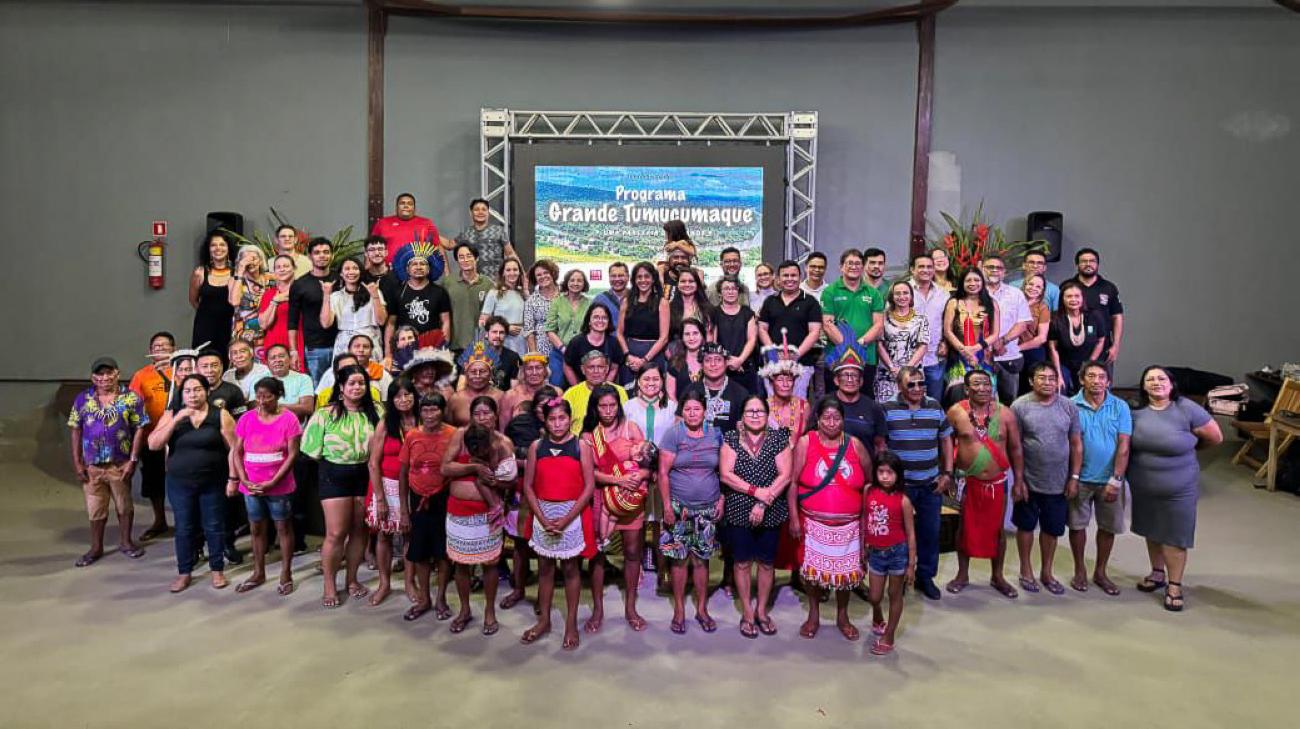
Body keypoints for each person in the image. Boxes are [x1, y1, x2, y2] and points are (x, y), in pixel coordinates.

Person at [1129, 365, 1222, 612]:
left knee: (1174, 535)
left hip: (1179, 487)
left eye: (1162, 379)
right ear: (1143, 385)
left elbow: (1215, 437)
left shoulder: (1187, 408)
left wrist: (1186, 447)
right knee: (1152, 529)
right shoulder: (1135, 411)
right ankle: (1157, 573)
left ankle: (1174, 585)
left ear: (1171, 384)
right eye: (1150, 379)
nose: (1156, 383)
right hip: (1144, 486)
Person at [788, 397, 872, 640]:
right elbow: (793, 482)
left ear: (844, 420)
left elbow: (869, 482)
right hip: (813, 524)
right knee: (812, 573)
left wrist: (866, 523)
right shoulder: (806, 442)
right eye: (826, 417)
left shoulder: (855, 444)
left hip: (849, 527)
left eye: (837, 418)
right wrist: (794, 517)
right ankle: (813, 614)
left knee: (846, 575)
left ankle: (842, 616)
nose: (832, 423)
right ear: (818, 419)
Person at [300, 364, 382, 608]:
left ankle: (352, 580)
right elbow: (310, 450)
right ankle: (329, 585)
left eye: (361, 383)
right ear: (342, 387)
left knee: (360, 531)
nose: (357, 387)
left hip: (366, 474)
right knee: (336, 533)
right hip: (333, 474)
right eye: (352, 383)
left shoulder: (377, 411)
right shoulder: (325, 414)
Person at [147, 374, 238, 592]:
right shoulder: (172, 414)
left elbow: (234, 449)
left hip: (213, 482)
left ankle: (217, 570)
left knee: (214, 526)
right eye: (187, 391)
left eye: (197, 390)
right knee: (184, 527)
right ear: (182, 394)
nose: (193, 395)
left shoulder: (220, 415)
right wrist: (176, 420)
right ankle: (184, 572)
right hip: (180, 483)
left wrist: (234, 478)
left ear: (207, 392)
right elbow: (153, 444)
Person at [520, 398, 597, 650]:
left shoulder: (580, 446)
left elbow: (589, 486)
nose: (557, 424)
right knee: (545, 569)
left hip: (571, 514)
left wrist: (566, 518)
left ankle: (571, 624)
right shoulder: (536, 446)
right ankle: (544, 621)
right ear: (544, 421)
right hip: (543, 513)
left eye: (562, 418)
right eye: (552, 419)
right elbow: (528, 486)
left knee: (571, 569)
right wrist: (542, 518)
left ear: (570, 419)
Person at [944, 369, 1024, 599]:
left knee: (997, 530)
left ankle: (997, 575)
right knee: (964, 529)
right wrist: (947, 475)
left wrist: (1019, 481)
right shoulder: (956, 412)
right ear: (966, 389)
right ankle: (962, 574)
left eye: (987, 384)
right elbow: (946, 445)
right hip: (966, 481)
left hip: (998, 483)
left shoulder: (1005, 414)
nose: (982, 388)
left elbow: (1016, 449)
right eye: (977, 384)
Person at [580, 384, 652, 633]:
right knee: (598, 554)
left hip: (630, 500)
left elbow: (648, 464)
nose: (608, 410)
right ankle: (598, 610)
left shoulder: (631, 428)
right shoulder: (589, 436)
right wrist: (617, 480)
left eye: (612, 405)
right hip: (602, 500)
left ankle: (631, 608)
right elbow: (588, 473)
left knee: (632, 553)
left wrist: (639, 476)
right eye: (603, 406)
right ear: (595, 408)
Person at [719, 396, 791, 638]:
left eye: (760, 411)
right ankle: (747, 612)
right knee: (741, 562)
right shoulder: (731, 438)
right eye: (750, 411)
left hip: (771, 509)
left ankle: (761, 610)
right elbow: (726, 475)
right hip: (739, 510)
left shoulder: (778, 439)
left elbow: (785, 475)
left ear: (767, 415)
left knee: (766, 563)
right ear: (742, 415)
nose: (755, 415)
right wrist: (754, 491)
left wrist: (762, 501)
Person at [441, 402, 514, 635]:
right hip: (459, 512)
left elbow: (510, 481)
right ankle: (465, 610)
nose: (482, 417)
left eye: (486, 413)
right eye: (477, 413)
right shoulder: (461, 435)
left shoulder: (503, 443)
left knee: (490, 564)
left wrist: (493, 481)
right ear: (471, 416)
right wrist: (473, 468)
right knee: (461, 564)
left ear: (495, 415)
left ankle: (489, 612)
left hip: (487, 515)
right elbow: (445, 468)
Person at [68, 356, 148, 567]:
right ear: (93, 377)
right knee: (95, 507)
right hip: (92, 466)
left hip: (119, 464)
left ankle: (126, 542)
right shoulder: (83, 399)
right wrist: (77, 462)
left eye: (109, 373)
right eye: (100, 374)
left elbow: (140, 428)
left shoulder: (131, 398)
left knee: (124, 504)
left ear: (117, 374)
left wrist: (133, 459)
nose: (104, 378)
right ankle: (96, 547)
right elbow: (75, 429)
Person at [1010, 362, 1082, 595]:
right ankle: (1026, 570)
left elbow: (1076, 444)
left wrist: (1074, 477)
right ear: (1032, 381)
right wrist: (1019, 480)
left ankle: (1047, 572)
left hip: (1059, 482)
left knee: (1052, 529)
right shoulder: (1020, 406)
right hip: (1028, 481)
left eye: (1052, 378)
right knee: (1025, 526)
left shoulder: (1069, 406)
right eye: (1042, 378)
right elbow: (1015, 446)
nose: (1048, 382)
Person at [882, 366, 954, 601]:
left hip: (930, 485)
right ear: (899, 386)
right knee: (898, 535)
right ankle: (900, 576)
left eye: (921, 383)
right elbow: (880, 445)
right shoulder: (887, 409)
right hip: (900, 487)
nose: (917, 388)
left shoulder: (934, 406)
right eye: (911, 384)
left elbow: (946, 440)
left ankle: (925, 577)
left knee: (930, 533)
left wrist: (947, 473)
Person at [658, 389, 724, 635]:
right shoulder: (673, 434)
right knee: (679, 561)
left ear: (705, 411)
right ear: (682, 412)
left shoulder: (715, 434)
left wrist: (722, 499)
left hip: (707, 508)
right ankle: (679, 610)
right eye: (687, 409)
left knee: (701, 561)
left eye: (697, 409)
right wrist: (666, 506)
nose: (693, 413)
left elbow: (723, 470)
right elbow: (662, 472)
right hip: (679, 508)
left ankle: (702, 609)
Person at [229, 376, 301, 595]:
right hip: (251, 485)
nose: (261, 401)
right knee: (256, 528)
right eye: (258, 396)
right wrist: (243, 479)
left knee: (283, 527)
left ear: (278, 396)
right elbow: (237, 452)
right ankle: (258, 572)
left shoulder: (289, 419)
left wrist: (274, 481)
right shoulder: (247, 418)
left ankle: (286, 573)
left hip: (279, 485)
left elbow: (293, 454)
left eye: (267, 397)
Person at [1068, 361, 1131, 595]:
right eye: (1091, 376)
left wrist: (1116, 479)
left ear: (1108, 382)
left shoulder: (1120, 406)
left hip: (1110, 480)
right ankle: (1079, 570)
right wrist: (1073, 477)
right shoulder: (1070, 405)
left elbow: (1124, 445)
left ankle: (1101, 572)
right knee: (1077, 526)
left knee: (1108, 527)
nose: (1096, 381)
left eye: (1101, 377)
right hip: (1080, 478)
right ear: (1082, 379)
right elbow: (1071, 444)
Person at [398, 394, 456, 622]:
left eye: (434, 410)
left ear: (443, 411)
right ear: (420, 412)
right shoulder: (412, 435)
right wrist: (404, 510)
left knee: (443, 552)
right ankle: (424, 598)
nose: (430, 415)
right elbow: (403, 474)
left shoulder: (453, 434)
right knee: (420, 552)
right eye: (425, 410)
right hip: (418, 499)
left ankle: (441, 598)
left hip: (445, 498)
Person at [500, 386, 559, 609]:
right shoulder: (520, 425)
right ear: (534, 407)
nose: (546, 410)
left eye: (551, 405)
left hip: (552, 491)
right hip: (522, 489)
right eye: (542, 406)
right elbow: (508, 457)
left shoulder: (561, 425)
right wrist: (533, 463)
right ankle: (518, 589)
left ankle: (544, 597)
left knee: (547, 546)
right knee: (520, 544)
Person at [364, 379, 418, 606]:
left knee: (409, 535)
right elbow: (373, 463)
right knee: (384, 535)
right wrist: (380, 499)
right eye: (397, 396)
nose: (403, 400)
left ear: (415, 395)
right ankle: (384, 583)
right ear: (391, 400)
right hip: (386, 486)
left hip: (414, 487)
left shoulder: (423, 420)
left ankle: (409, 582)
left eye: (407, 394)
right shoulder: (385, 423)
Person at [623, 363, 678, 578]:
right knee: (636, 523)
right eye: (646, 379)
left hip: (663, 473)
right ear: (638, 381)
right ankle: (635, 570)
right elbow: (625, 440)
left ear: (662, 381)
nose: (651, 383)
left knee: (661, 522)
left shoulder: (671, 407)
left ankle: (663, 569)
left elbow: (674, 441)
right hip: (636, 473)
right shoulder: (628, 407)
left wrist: (659, 468)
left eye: (655, 379)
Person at [864, 451, 915, 655]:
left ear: (898, 475)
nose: (885, 476)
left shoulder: (903, 501)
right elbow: (864, 519)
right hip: (875, 553)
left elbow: (910, 534)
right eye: (881, 472)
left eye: (890, 472)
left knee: (894, 594)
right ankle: (877, 615)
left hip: (897, 554)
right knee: (874, 596)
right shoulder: (868, 491)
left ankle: (889, 635)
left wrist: (911, 565)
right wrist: (862, 547)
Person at [128, 332, 177, 540]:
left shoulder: (183, 370)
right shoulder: (141, 376)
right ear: (150, 351)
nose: (161, 349)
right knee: (154, 481)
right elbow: (132, 405)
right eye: (157, 346)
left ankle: (187, 523)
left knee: (181, 479)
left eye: (165, 345)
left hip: (179, 436)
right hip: (152, 436)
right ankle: (159, 521)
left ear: (174, 349)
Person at [820, 249, 886, 397]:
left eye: (858, 263)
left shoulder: (873, 293)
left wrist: (859, 344)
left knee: (865, 400)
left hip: (866, 357)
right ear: (841, 267)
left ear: (863, 267)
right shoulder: (830, 292)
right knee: (834, 401)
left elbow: (878, 325)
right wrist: (849, 347)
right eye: (850, 263)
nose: (854, 267)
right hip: (836, 356)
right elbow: (828, 324)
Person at [759, 260, 823, 399]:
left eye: (793, 275)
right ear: (778, 278)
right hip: (773, 364)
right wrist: (773, 352)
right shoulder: (770, 301)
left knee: (797, 404)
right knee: (773, 404)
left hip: (801, 364)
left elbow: (814, 332)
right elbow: (762, 329)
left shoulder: (810, 302)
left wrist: (796, 354)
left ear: (800, 277)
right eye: (785, 275)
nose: (789, 279)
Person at [942, 267, 1000, 404]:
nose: (972, 283)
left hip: (984, 358)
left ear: (982, 282)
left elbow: (995, 333)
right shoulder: (954, 302)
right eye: (968, 280)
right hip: (958, 357)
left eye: (976, 280)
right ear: (962, 283)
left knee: (984, 396)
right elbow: (947, 331)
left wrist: (976, 348)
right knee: (958, 396)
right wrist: (965, 351)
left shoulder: (991, 303)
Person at [287, 237, 339, 384]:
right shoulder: (300, 284)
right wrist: (293, 351)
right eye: (317, 252)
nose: (322, 256)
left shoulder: (341, 279)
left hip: (341, 344)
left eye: (326, 252)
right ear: (309, 256)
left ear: (332, 255)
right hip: (315, 348)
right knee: (318, 389)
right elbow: (292, 321)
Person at [982, 255, 1032, 404]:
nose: (994, 271)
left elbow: (1022, 323)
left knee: (1009, 402)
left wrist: (1002, 341)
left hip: (1008, 356)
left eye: (999, 268)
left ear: (1004, 272)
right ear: (982, 269)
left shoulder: (1015, 294)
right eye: (990, 267)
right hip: (980, 358)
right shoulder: (974, 293)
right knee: (981, 401)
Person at [386, 242, 453, 352]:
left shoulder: (440, 292)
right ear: (407, 269)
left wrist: (443, 348)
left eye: (422, 264)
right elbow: (390, 324)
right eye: (414, 264)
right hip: (404, 350)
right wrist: (388, 353)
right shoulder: (397, 292)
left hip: (432, 349)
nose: (418, 267)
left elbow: (445, 322)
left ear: (429, 269)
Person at [824, 339, 887, 456]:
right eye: (845, 375)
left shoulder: (873, 408)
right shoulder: (824, 404)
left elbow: (880, 445)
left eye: (854, 375)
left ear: (861, 381)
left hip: (863, 464)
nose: (850, 380)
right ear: (836, 380)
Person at [1064, 247, 1124, 367]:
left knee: (1099, 379)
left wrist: (1116, 345)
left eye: (1092, 261)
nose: (1088, 264)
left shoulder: (1108, 287)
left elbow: (1117, 317)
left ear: (1097, 264)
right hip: (1071, 349)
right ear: (1077, 265)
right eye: (1084, 261)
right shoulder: (1067, 286)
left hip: (1102, 348)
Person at [1049, 281, 1108, 394]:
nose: (1073, 299)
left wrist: (1089, 365)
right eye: (1069, 296)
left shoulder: (1094, 315)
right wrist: (1058, 374)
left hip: (1089, 362)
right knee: (1059, 387)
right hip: (1064, 364)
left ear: (1082, 298)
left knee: (1093, 387)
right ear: (1062, 299)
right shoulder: (1055, 318)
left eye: (1077, 296)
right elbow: (1053, 348)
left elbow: (1100, 341)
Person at [617, 261, 671, 385]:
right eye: (639, 277)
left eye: (647, 276)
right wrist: (628, 355)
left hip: (653, 355)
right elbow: (619, 333)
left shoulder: (662, 303)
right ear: (634, 280)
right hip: (630, 356)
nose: (643, 280)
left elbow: (664, 338)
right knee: (629, 392)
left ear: (653, 279)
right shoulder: (626, 301)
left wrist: (645, 360)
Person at [875, 280, 930, 402]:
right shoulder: (882, 318)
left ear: (911, 296)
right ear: (892, 296)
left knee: (913, 406)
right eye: (897, 293)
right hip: (888, 374)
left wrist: (906, 370)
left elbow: (923, 346)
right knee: (886, 409)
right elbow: (879, 344)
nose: (902, 297)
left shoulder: (921, 319)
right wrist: (892, 368)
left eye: (905, 293)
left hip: (913, 374)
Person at [321, 258, 387, 358]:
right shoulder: (336, 296)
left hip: (369, 343)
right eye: (347, 269)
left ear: (360, 272)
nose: (351, 272)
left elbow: (381, 321)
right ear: (341, 273)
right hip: (345, 345)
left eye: (355, 268)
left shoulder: (373, 291)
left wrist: (374, 295)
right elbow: (326, 324)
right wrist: (326, 295)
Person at [909, 253, 950, 402]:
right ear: (912, 269)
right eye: (921, 266)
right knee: (909, 401)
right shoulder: (902, 291)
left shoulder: (943, 294)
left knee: (934, 402)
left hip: (935, 357)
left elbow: (949, 323)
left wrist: (946, 342)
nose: (926, 270)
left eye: (929, 267)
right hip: (909, 358)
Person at [710, 277, 759, 395]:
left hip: (745, 366)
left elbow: (752, 339)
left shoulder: (747, 313)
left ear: (738, 291)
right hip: (721, 366)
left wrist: (740, 360)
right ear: (720, 293)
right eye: (726, 289)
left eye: (733, 288)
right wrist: (726, 360)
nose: (730, 291)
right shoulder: (713, 313)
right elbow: (712, 342)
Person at [189, 231, 234, 356]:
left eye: (222, 244)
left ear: (228, 248)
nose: (218, 248)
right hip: (205, 328)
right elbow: (193, 300)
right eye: (213, 245)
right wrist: (209, 314)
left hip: (230, 326)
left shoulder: (237, 273)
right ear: (208, 249)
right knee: (204, 359)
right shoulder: (199, 272)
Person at [545, 269, 592, 387]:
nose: (575, 283)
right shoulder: (557, 302)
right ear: (567, 282)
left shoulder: (590, 303)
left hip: (583, 353)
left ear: (584, 284)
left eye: (579, 281)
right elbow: (550, 330)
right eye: (572, 280)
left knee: (582, 386)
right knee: (557, 384)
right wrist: (563, 349)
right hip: (559, 353)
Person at [562, 350, 628, 434]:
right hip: (579, 440)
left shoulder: (620, 391)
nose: (596, 371)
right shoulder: (571, 394)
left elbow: (625, 421)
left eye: (600, 367)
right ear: (583, 369)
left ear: (607, 369)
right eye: (591, 367)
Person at [314, 335, 393, 405]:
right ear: (349, 350)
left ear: (371, 351)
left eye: (365, 347)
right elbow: (320, 397)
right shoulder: (331, 372)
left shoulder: (381, 373)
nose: (361, 350)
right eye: (357, 346)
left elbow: (388, 402)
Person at [445, 243, 495, 354]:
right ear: (457, 260)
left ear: (476, 258)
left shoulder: (488, 285)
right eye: (461, 257)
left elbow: (493, 317)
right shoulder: (448, 283)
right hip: (454, 346)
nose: (465, 260)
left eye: (469, 256)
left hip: (480, 346)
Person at [371, 192, 443, 266]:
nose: (406, 206)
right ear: (396, 207)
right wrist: (367, 267)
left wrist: (445, 270)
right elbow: (371, 248)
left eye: (410, 204)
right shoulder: (382, 223)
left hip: (418, 269)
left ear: (414, 208)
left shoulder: (426, 223)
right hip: (388, 269)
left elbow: (438, 248)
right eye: (402, 203)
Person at [563, 303, 624, 387]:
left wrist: (603, 389)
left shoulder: (613, 343)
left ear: (608, 321)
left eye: (604, 318)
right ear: (589, 321)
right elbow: (567, 366)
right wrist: (578, 388)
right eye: (596, 317)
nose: (600, 320)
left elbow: (614, 368)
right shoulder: (576, 342)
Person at [523, 259, 562, 386]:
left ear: (552, 273)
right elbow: (529, 330)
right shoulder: (531, 300)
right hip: (543, 350)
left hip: (565, 346)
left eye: (546, 273)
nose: (543, 276)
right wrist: (535, 357)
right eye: (538, 275)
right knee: (549, 385)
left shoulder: (565, 293)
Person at [454, 197, 516, 278]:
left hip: (494, 280)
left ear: (488, 213)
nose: (480, 212)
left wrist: (522, 274)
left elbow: (510, 254)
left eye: (484, 209)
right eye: (476, 209)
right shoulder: (466, 232)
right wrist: (436, 234)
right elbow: (449, 244)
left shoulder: (498, 231)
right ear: (471, 212)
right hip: (471, 280)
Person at [696, 342, 749, 434]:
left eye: (718, 360)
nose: (713, 364)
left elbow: (744, 433)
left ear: (726, 363)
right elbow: (680, 426)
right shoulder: (691, 391)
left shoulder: (741, 394)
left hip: (730, 442)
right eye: (708, 360)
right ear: (702, 365)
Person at [479, 257, 528, 355]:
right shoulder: (494, 293)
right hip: (501, 341)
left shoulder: (522, 294)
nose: (512, 273)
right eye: (508, 270)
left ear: (519, 272)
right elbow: (482, 322)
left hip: (520, 342)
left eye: (515, 269)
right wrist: (505, 328)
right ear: (503, 273)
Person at [227, 245, 269, 358]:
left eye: (253, 258)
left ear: (261, 261)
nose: (250, 263)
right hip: (244, 333)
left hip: (268, 331)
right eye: (246, 259)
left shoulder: (271, 278)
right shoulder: (235, 280)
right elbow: (234, 302)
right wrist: (240, 272)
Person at [448, 345, 505, 427]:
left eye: (482, 371)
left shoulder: (501, 397)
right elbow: (449, 429)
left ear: (490, 375)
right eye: (473, 371)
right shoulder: (455, 399)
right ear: (466, 374)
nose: (477, 376)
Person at [256, 254, 297, 365]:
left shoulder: (301, 291)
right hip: (274, 343)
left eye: (286, 266)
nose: (282, 269)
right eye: (278, 267)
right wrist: (275, 301)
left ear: (294, 268)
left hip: (296, 343)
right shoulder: (269, 294)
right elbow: (263, 325)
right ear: (274, 272)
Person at [1016, 273, 1052, 396]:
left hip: (1031, 350)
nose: (1033, 288)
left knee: (1029, 387)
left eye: (1038, 287)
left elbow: (1042, 338)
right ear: (1024, 285)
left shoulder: (1043, 308)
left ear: (1042, 291)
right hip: (1009, 350)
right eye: (1030, 284)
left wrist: (1018, 348)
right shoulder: (1013, 303)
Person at [668, 267, 714, 346]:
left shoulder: (707, 308)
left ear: (697, 284)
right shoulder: (669, 308)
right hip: (675, 351)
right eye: (683, 281)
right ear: (677, 284)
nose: (687, 284)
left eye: (691, 281)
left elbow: (709, 337)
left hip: (702, 351)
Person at [500, 352, 549, 423]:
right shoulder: (510, 396)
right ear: (523, 372)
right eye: (529, 368)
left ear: (545, 371)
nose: (534, 373)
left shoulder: (556, 392)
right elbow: (504, 427)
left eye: (538, 368)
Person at [476, 316, 522, 391]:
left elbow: (514, 390)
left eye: (501, 332)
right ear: (486, 334)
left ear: (506, 335)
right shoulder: (474, 355)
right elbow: (462, 385)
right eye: (494, 332)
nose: (498, 336)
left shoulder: (513, 357)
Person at [667, 318, 707, 400]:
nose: (691, 338)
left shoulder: (711, 361)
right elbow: (670, 395)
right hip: (679, 407)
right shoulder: (674, 362)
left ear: (702, 336)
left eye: (695, 333)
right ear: (682, 338)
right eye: (687, 334)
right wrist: (679, 408)